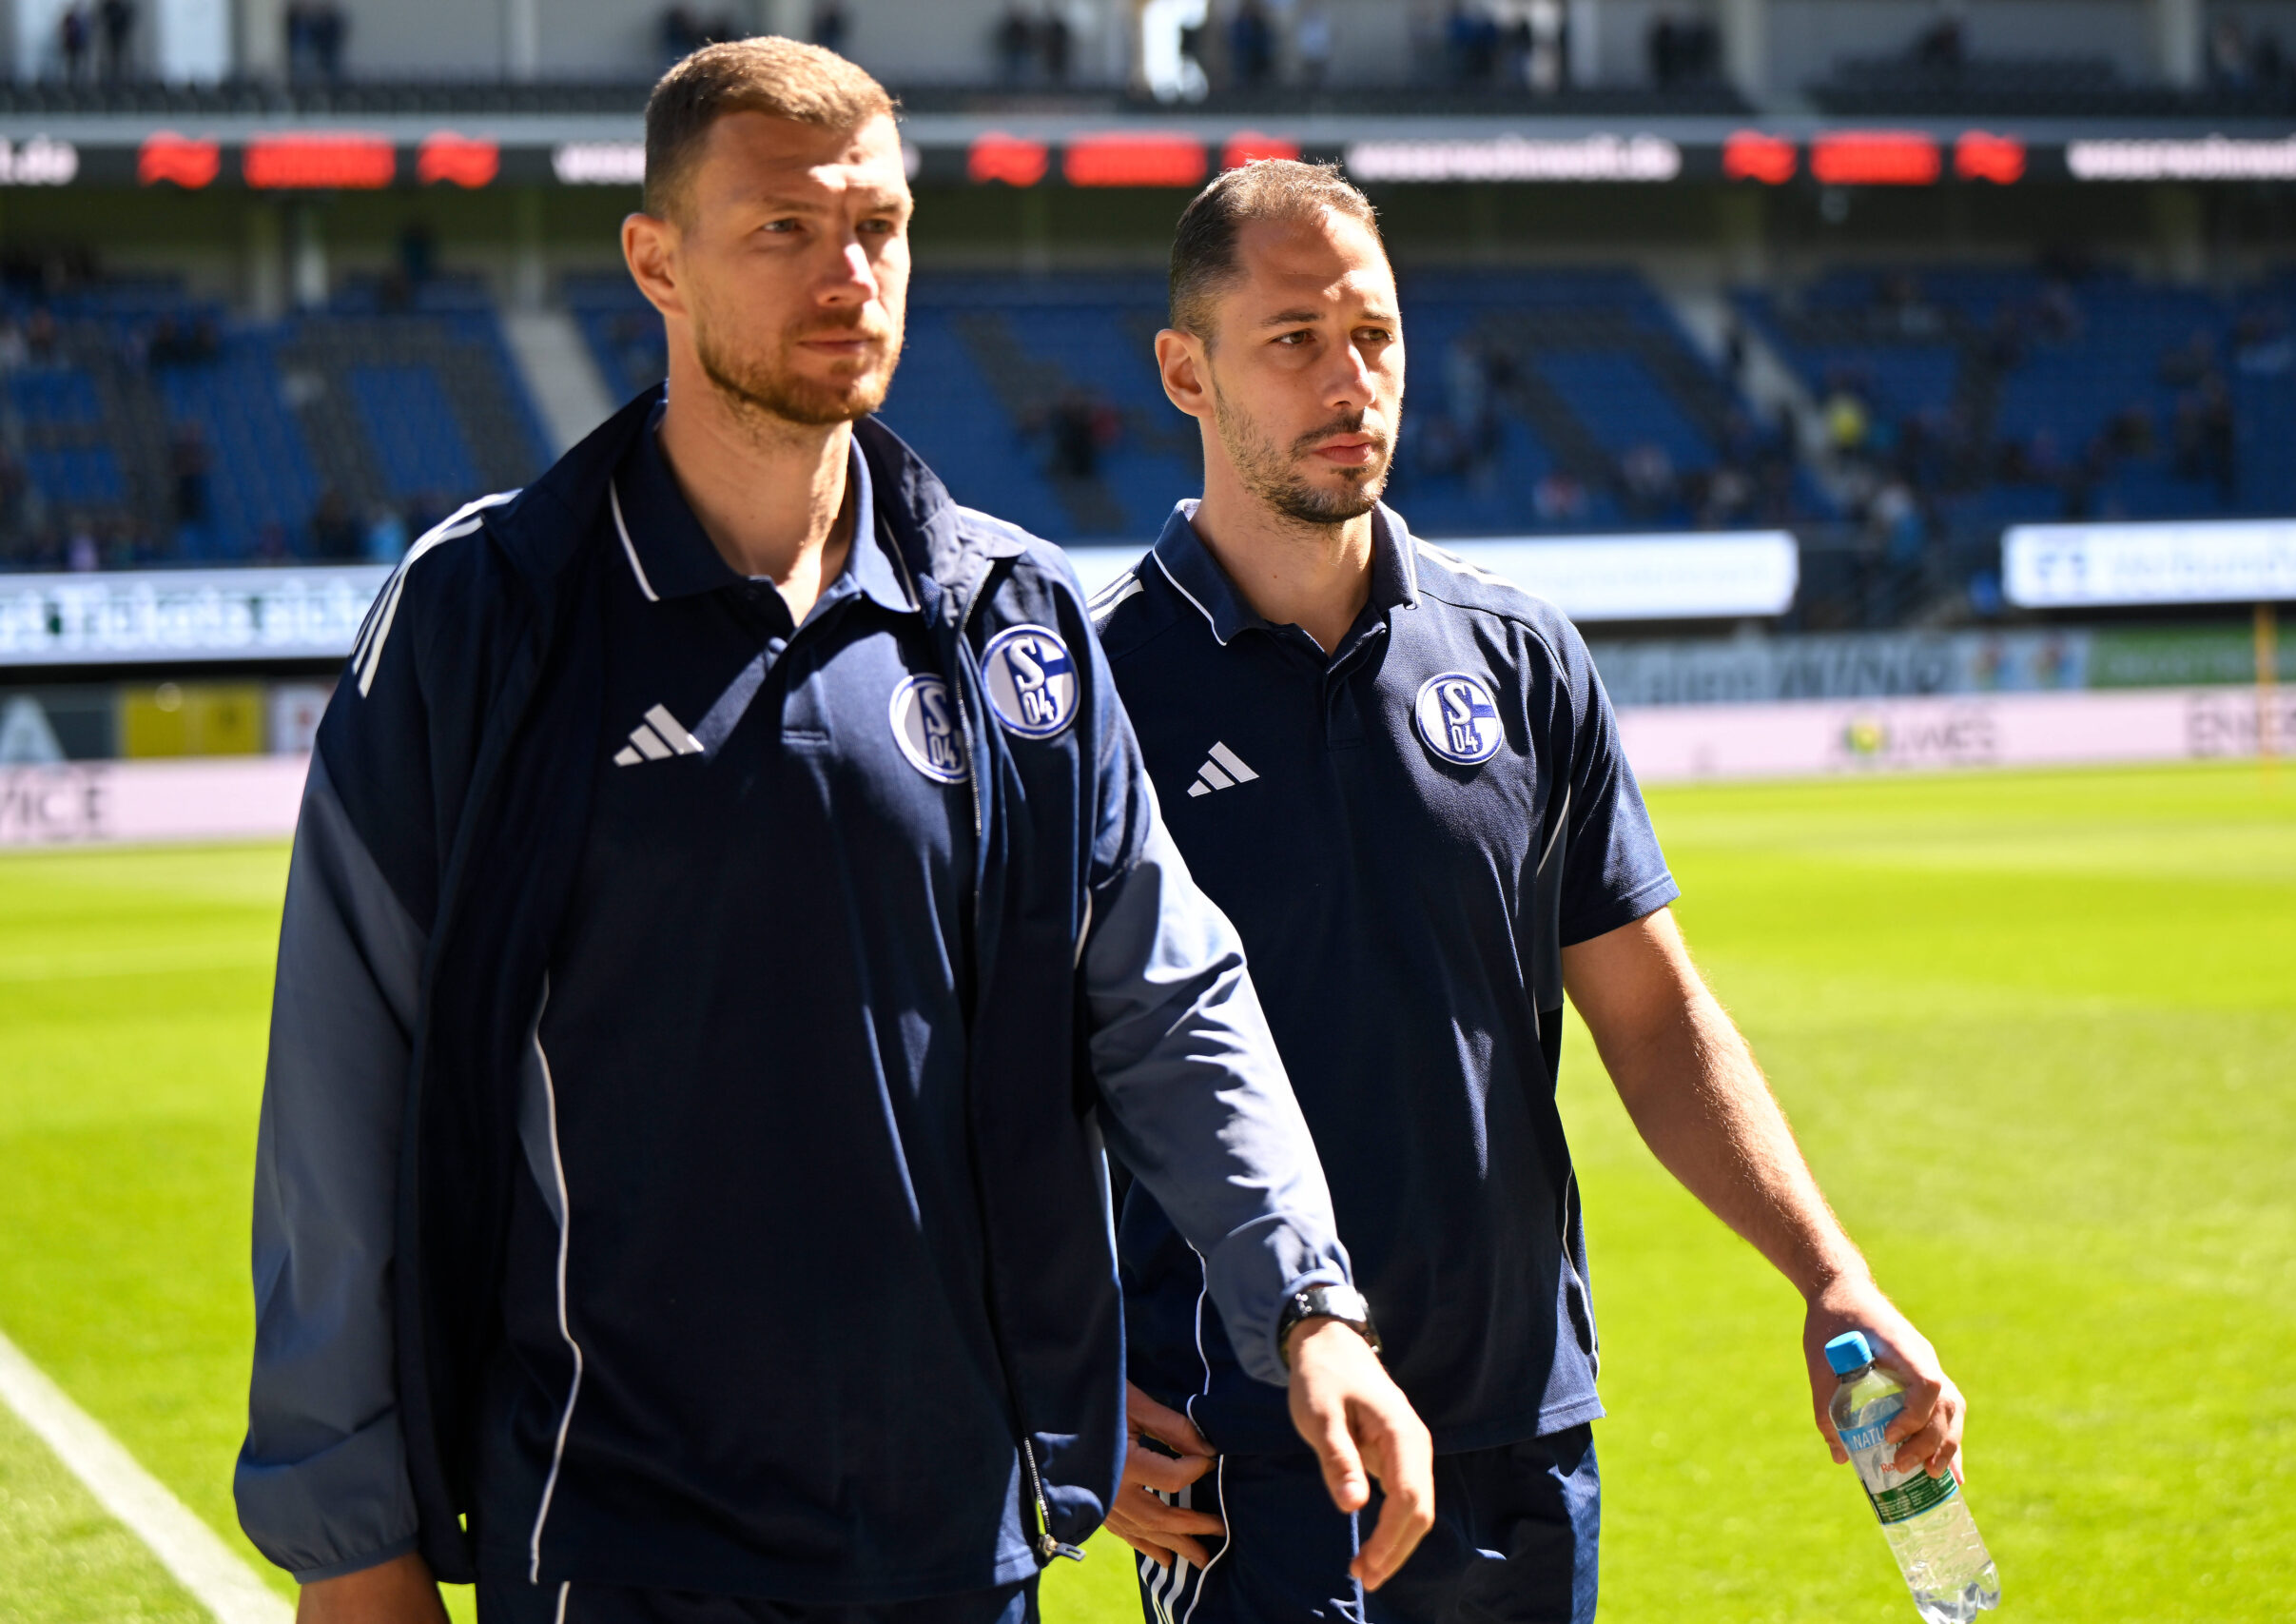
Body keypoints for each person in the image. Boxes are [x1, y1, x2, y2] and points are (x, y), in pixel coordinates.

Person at [234, 45, 1432, 1624]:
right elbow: (341, 1087)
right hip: (625, 1545)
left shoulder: (1006, 619)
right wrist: (352, 1541)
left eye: (878, 226)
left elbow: (1164, 997)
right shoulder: (488, 621)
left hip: (962, 1549)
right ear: (656, 260)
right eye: (783, 231)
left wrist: (1307, 1307)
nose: (848, 274)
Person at [1090, 160, 1969, 1624]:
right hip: (1243, 1448)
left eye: (1374, 335)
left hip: (1520, 1435)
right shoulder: (1098, 690)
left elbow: (1653, 1014)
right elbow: (997, 1072)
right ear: (1186, 369)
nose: (1348, 377)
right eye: (1293, 337)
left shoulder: (1517, 656)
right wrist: (1056, 1378)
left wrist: (1832, 1274)